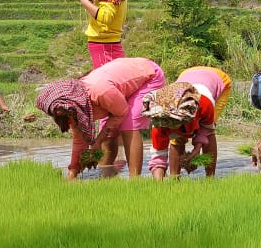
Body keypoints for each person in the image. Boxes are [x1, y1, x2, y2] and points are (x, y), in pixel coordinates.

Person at [35, 56, 165, 180]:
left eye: (70, 119)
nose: (72, 123)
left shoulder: (99, 91)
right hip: (117, 90)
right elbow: (80, 141)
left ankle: (135, 180)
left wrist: (98, 140)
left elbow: (121, 112)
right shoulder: (73, 108)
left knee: (128, 124)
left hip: (149, 76)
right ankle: (106, 175)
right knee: (107, 133)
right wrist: (72, 172)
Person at [142, 66, 232, 179]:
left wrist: (196, 150)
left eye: (175, 124)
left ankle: (210, 179)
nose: (172, 128)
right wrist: (159, 185)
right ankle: (175, 179)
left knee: (209, 134)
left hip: (218, 79)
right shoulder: (160, 121)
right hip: (187, 74)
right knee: (177, 138)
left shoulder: (204, 104)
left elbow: (206, 130)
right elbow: (158, 157)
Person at [78, 0, 127, 69]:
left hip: (104, 45)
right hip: (107, 44)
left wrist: (84, 1)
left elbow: (105, 17)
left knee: (107, 81)